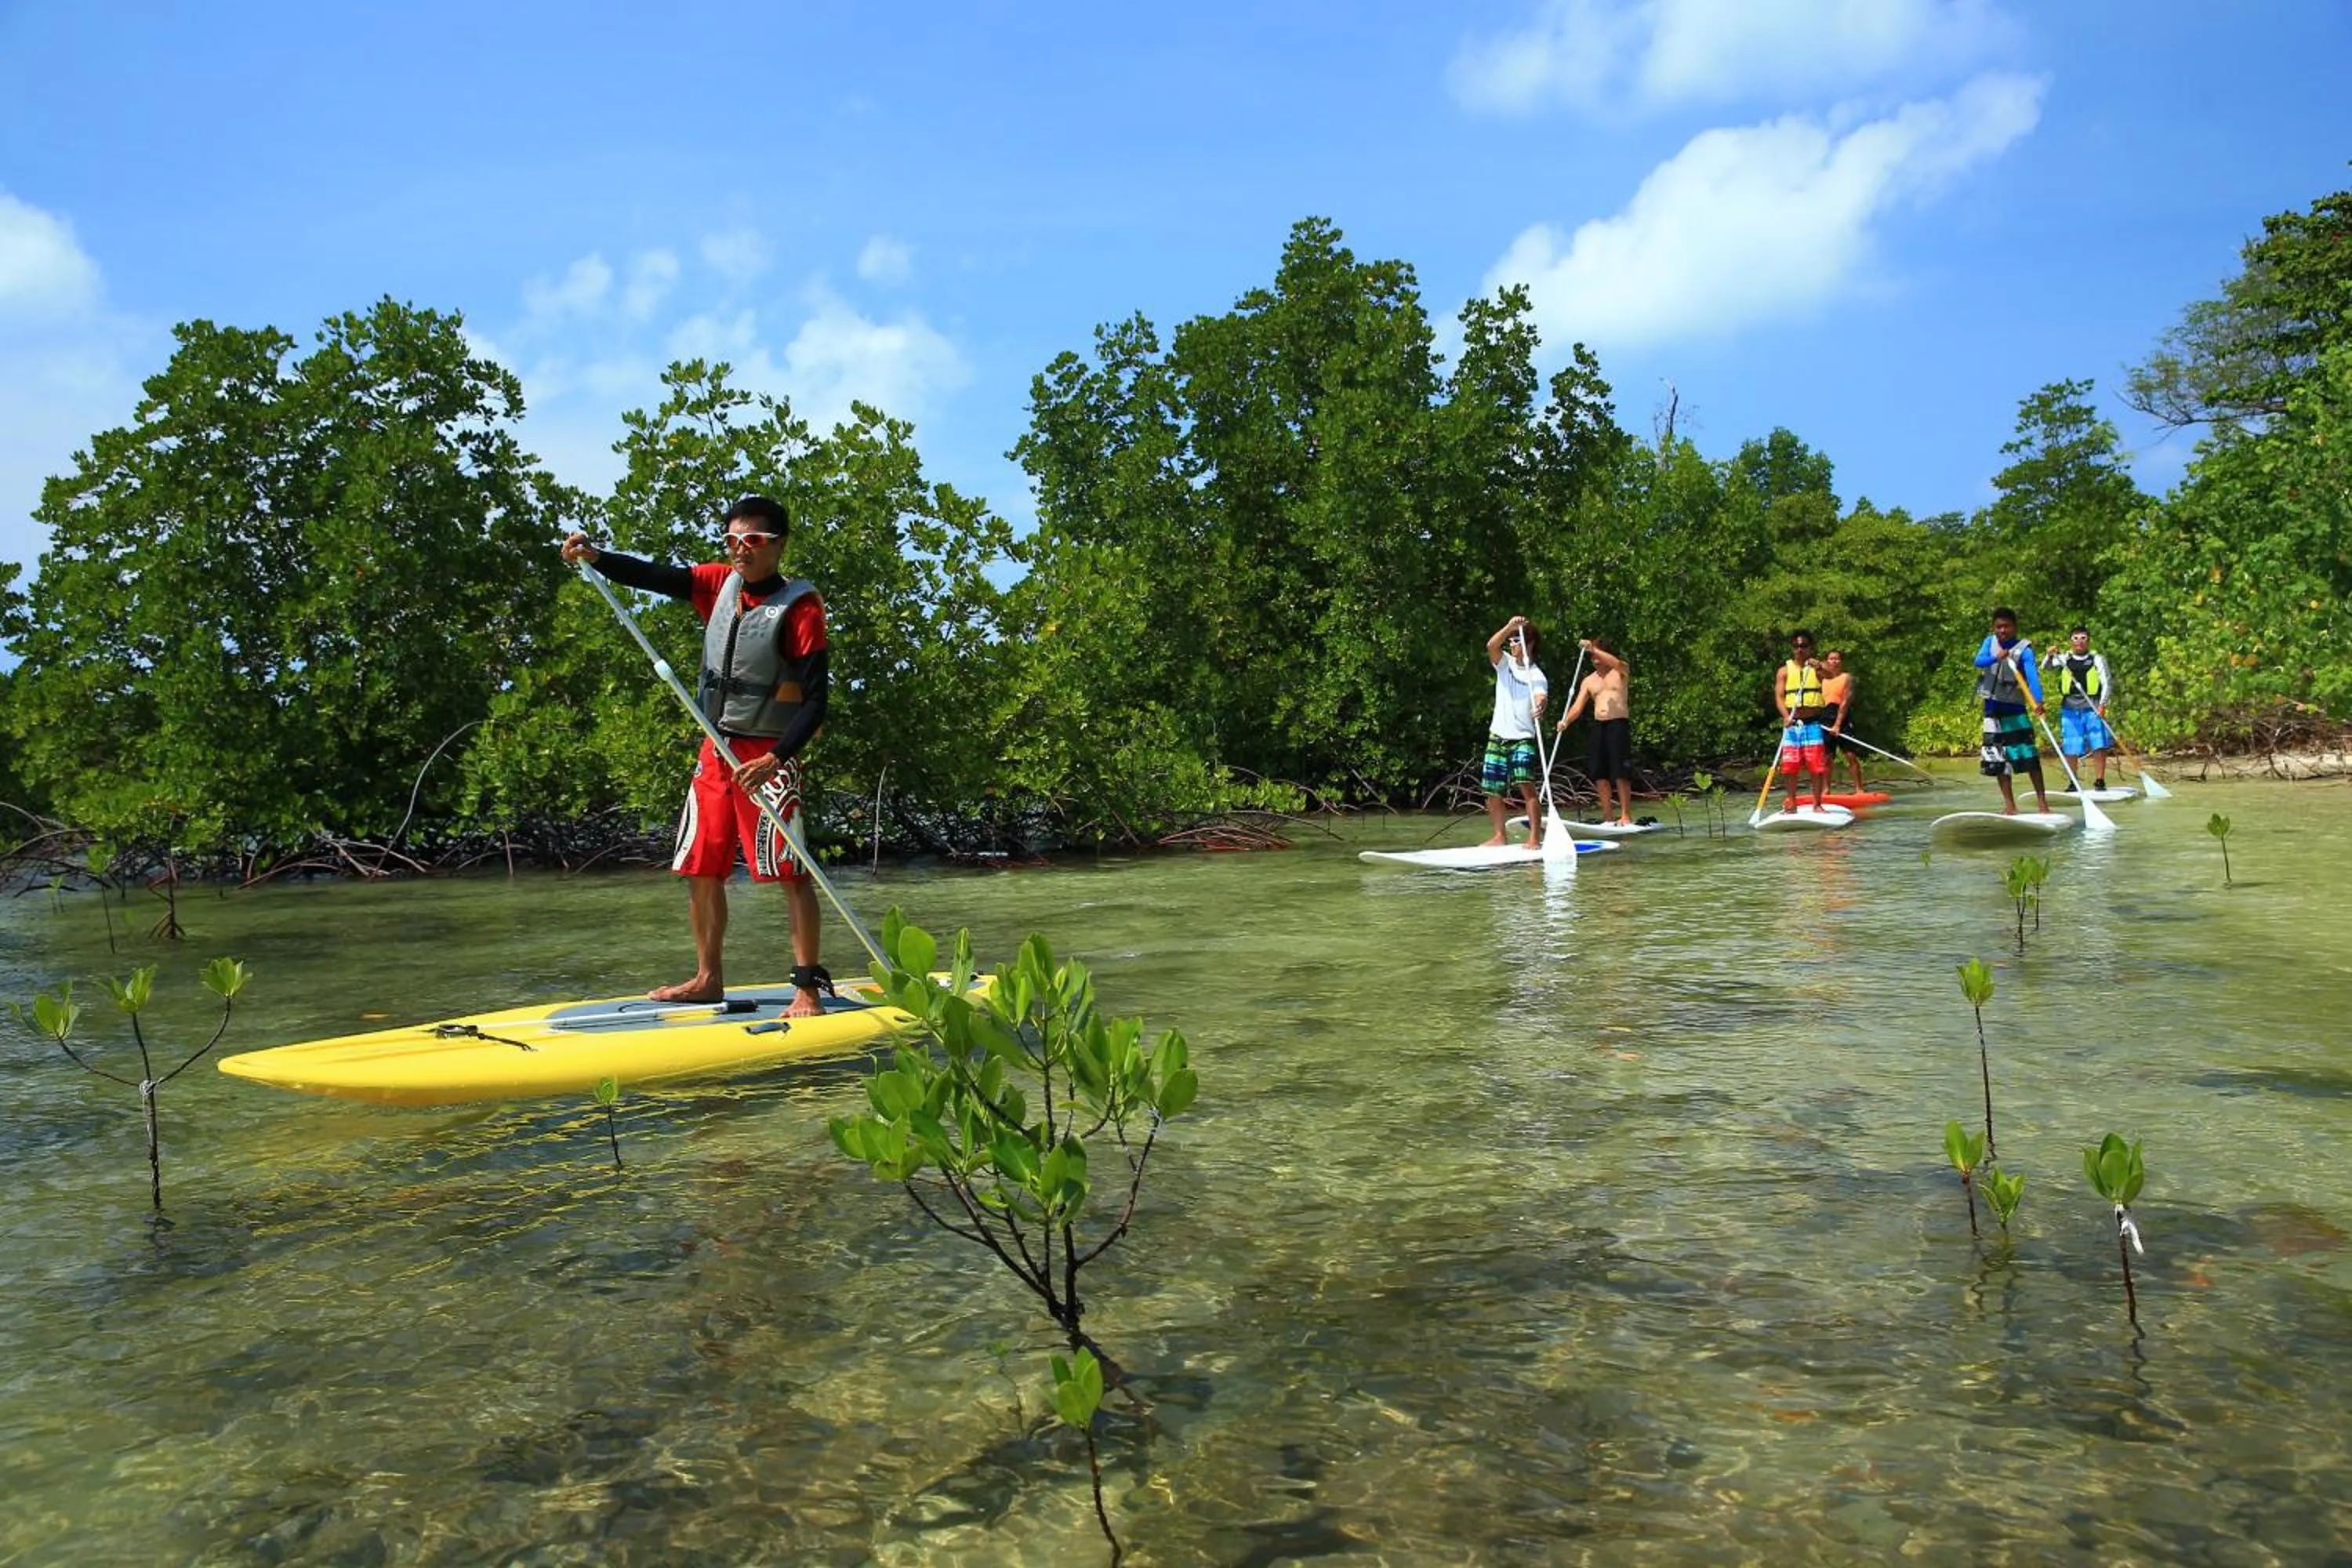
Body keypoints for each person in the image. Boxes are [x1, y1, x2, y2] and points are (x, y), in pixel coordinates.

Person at [561, 497, 832, 1018]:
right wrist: (597, 557)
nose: (739, 551)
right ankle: (708, 979)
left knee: (788, 871)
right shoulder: (715, 583)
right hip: (717, 748)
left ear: (777, 545)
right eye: (732, 541)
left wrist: (778, 758)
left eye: (751, 541)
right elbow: (654, 576)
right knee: (700, 864)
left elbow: (817, 702)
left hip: (768, 755)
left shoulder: (801, 607)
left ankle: (806, 989)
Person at [1477, 615, 1548, 849]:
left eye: (1516, 640)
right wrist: (1509, 627)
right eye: (1511, 640)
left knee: (1526, 785)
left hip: (1522, 738)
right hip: (1498, 734)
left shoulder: (1537, 675)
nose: (1512, 644)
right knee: (1493, 788)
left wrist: (1540, 706)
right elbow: (1491, 646)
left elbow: (1540, 697)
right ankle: (1499, 835)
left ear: (1529, 645)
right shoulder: (1504, 663)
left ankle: (1534, 838)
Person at [1973, 607, 2049, 815]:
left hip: (2014, 708)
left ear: (2014, 627)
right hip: (1992, 708)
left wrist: (2038, 701)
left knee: (2028, 755)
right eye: (1998, 627)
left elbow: (2032, 677)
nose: (2002, 631)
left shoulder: (2024, 649)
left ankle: (2043, 805)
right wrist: (1996, 657)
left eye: (2006, 626)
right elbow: (1978, 661)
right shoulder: (1990, 643)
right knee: (1998, 760)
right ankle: (2010, 807)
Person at [1554, 637, 1635, 826]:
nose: (1595, 659)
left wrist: (1594, 649)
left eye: (1598, 654)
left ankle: (1625, 814)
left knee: (1621, 771)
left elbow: (1617, 662)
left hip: (1618, 724)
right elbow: (1577, 706)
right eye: (1592, 656)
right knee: (1599, 772)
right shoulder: (1589, 681)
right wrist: (1565, 721)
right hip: (1600, 726)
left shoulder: (1620, 671)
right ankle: (1608, 816)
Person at [2043, 626, 2115, 791]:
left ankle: (2100, 781)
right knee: (2071, 745)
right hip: (2070, 708)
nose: (2079, 642)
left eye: (2083, 638)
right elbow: (2046, 667)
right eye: (2075, 638)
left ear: (2088, 640)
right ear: (2071, 641)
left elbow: (2106, 682)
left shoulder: (2097, 659)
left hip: (2093, 707)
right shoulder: (2063, 658)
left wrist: (2102, 704)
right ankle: (2073, 782)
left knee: (2099, 743)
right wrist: (2049, 655)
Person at [1773, 630, 1830, 813]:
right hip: (1792, 724)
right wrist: (1785, 717)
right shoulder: (1784, 671)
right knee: (1790, 767)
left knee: (1816, 766)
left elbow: (1831, 674)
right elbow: (1779, 697)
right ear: (1792, 649)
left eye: (1804, 646)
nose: (1800, 650)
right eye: (1797, 646)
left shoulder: (1816, 668)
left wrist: (1820, 666)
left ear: (1810, 648)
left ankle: (1817, 804)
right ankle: (1791, 803)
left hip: (1812, 723)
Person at [1818, 649, 1867, 796]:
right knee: (1826, 757)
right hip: (1825, 717)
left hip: (1842, 717)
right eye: (1831, 659)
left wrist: (1838, 724)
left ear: (1841, 662)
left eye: (1837, 659)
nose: (1834, 661)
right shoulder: (1822, 678)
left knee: (1850, 755)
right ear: (1827, 662)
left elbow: (1845, 702)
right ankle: (1826, 789)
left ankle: (1859, 789)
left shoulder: (1848, 678)